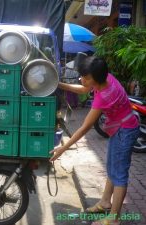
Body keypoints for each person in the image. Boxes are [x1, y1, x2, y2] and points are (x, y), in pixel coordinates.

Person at [50, 56, 140, 225]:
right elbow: (84, 89)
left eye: (86, 77)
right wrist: (58, 84)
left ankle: (114, 219)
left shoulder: (104, 97)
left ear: (96, 79)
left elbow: (84, 127)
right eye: (82, 75)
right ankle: (106, 202)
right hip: (120, 128)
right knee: (111, 167)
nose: (82, 79)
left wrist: (63, 148)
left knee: (119, 175)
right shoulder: (105, 78)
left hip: (125, 131)